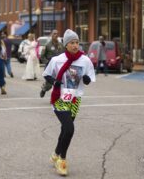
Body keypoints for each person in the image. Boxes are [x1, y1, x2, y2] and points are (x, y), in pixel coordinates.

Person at [42, 29, 95, 176]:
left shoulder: (85, 60)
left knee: (65, 129)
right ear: (66, 45)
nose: (75, 45)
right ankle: (62, 160)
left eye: (77, 42)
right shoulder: (57, 60)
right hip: (60, 98)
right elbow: (46, 74)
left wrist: (87, 80)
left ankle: (55, 153)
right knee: (70, 129)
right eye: (72, 43)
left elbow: (90, 76)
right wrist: (55, 82)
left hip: (75, 99)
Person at [40, 30, 64, 97]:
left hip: (59, 66)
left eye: (57, 34)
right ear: (51, 35)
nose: (56, 35)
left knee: (58, 82)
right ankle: (44, 89)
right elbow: (42, 56)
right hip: (50, 66)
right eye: (54, 34)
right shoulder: (47, 45)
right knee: (49, 83)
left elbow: (65, 54)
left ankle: (55, 97)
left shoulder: (61, 45)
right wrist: (47, 62)